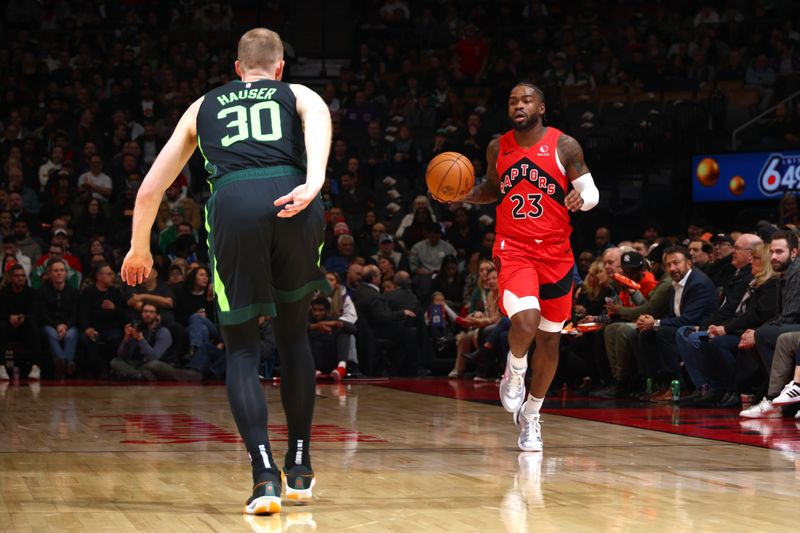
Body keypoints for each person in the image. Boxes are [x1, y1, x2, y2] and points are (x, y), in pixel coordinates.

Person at [120, 28, 331, 515]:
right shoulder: (299, 93)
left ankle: (264, 478)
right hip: (294, 198)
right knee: (294, 336)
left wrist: (139, 248)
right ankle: (299, 465)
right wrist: (313, 184)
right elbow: (319, 135)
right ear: (280, 68)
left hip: (235, 204)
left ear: (237, 68)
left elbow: (150, 190)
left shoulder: (202, 105)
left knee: (240, 349)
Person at [433, 82, 599, 451]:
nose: (518, 105)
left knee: (550, 340)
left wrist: (580, 197)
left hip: (557, 253)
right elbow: (494, 188)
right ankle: (515, 369)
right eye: (512, 101)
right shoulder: (498, 146)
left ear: (541, 108)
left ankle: (532, 415)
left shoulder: (564, 145)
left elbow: (592, 192)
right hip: (514, 248)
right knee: (525, 320)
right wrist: (462, 194)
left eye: (526, 100)